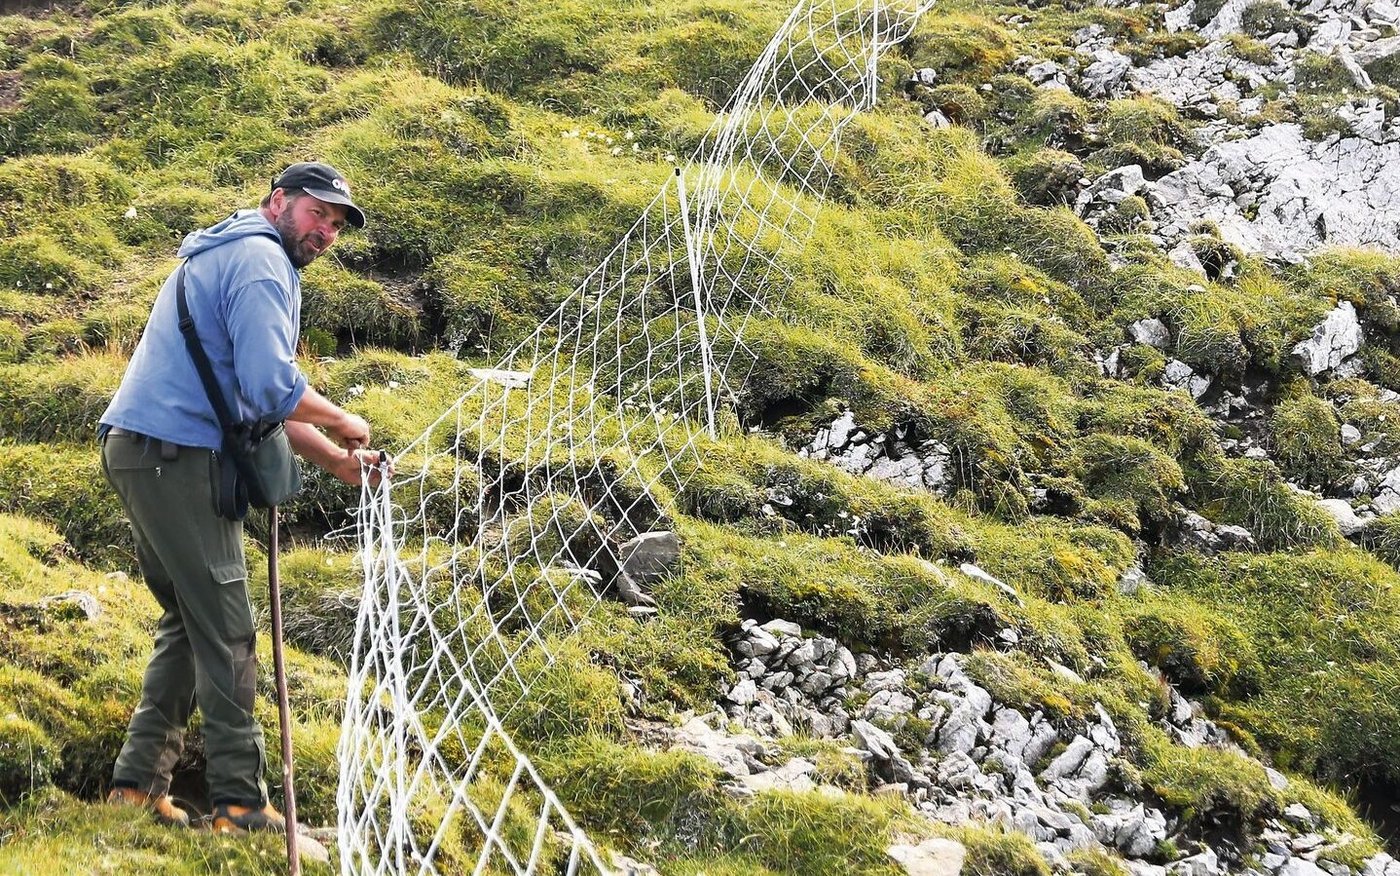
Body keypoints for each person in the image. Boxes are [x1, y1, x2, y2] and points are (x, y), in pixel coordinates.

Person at [97, 161, 390, 833]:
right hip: (175, 458)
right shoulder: (261, 264)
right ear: (279, 200)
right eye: (319, 214)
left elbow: (250, 400)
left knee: (189, 619)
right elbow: (269, 387)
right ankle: (239, 803)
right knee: (228, 628)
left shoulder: (232, 251)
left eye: (338, 225)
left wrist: (337, 465)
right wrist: (342, 421)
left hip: (145, 450)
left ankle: (137, 788)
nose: (327, 233)